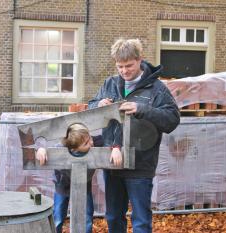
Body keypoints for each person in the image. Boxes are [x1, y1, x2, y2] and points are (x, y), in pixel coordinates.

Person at [88, 38, 180, 233]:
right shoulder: (110, 84)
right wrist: (98, 106)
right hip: (113, 163)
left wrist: (142, 109)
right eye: (120, 66)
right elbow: (90, 107)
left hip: (141, 163)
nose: (124, 71)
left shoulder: (157, 89)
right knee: (113, 217)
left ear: (140, 60)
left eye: (129, 65)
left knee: (141, 221)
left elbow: (172, 120)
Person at [35, 123, 105, 233]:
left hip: (84, 184)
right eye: (86, 143)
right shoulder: (62, 148)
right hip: (62, 185)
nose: (91, 142)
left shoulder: (93, 142)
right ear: (74, 148)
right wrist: (41, 149)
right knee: (58, 216)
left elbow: (107, 139)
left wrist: (115, 148)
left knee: (87, 217)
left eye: (90, 138)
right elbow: (44, 146)